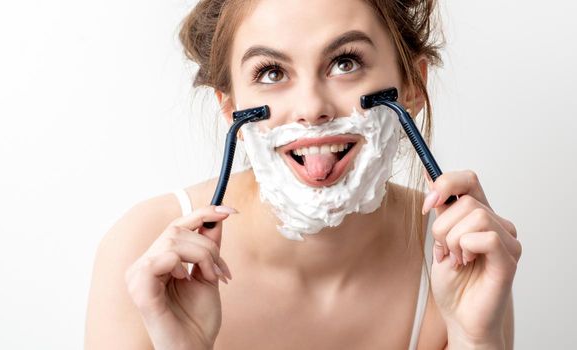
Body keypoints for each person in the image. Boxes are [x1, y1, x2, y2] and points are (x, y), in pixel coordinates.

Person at [85, 0, 522, 348]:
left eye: (346, 62)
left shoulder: (459, 258)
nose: (312, 108)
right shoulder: (145, 256)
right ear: (229, 106)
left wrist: (476, 339)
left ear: (411, 86)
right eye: (272, 72)